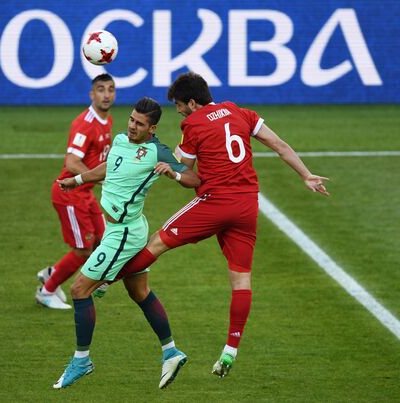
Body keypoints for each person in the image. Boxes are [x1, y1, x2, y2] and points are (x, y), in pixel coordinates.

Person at [101, 72, 330, 378]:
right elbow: (279, 145)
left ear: (193, 102)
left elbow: (185, 169)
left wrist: (158, 161)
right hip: (248, 205)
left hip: (215, 203)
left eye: (181, 105)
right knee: (241, 281)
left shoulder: (193, 124)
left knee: (157, 242)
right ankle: (230, 351)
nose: (179, 111)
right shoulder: (240, 112)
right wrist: (305, 174)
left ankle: (104, 280)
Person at [52, 97, 201, 389]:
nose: (132, 126)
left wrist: (172, 172)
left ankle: (82, 360)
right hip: (116, 229)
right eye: (132, 119)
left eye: (139, 124)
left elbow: (194, 178)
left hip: (124, 233)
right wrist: (78, 179)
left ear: (152, 128)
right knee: (140, 292)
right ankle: (170, 351)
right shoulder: (121, 139)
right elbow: (108, 167)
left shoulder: (157, 151)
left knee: (79, 289)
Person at [36, 74, 116, 309]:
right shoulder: (85, 123)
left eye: (110, 89)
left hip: (85, 192)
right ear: (92, 94)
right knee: (82, 250)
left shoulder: (106, 120)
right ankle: (47, 290)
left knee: (105, 239)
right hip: (69, 193)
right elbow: (71, 162)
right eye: (101, 90)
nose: (106, 94)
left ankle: (53, 273)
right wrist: (98, 179)